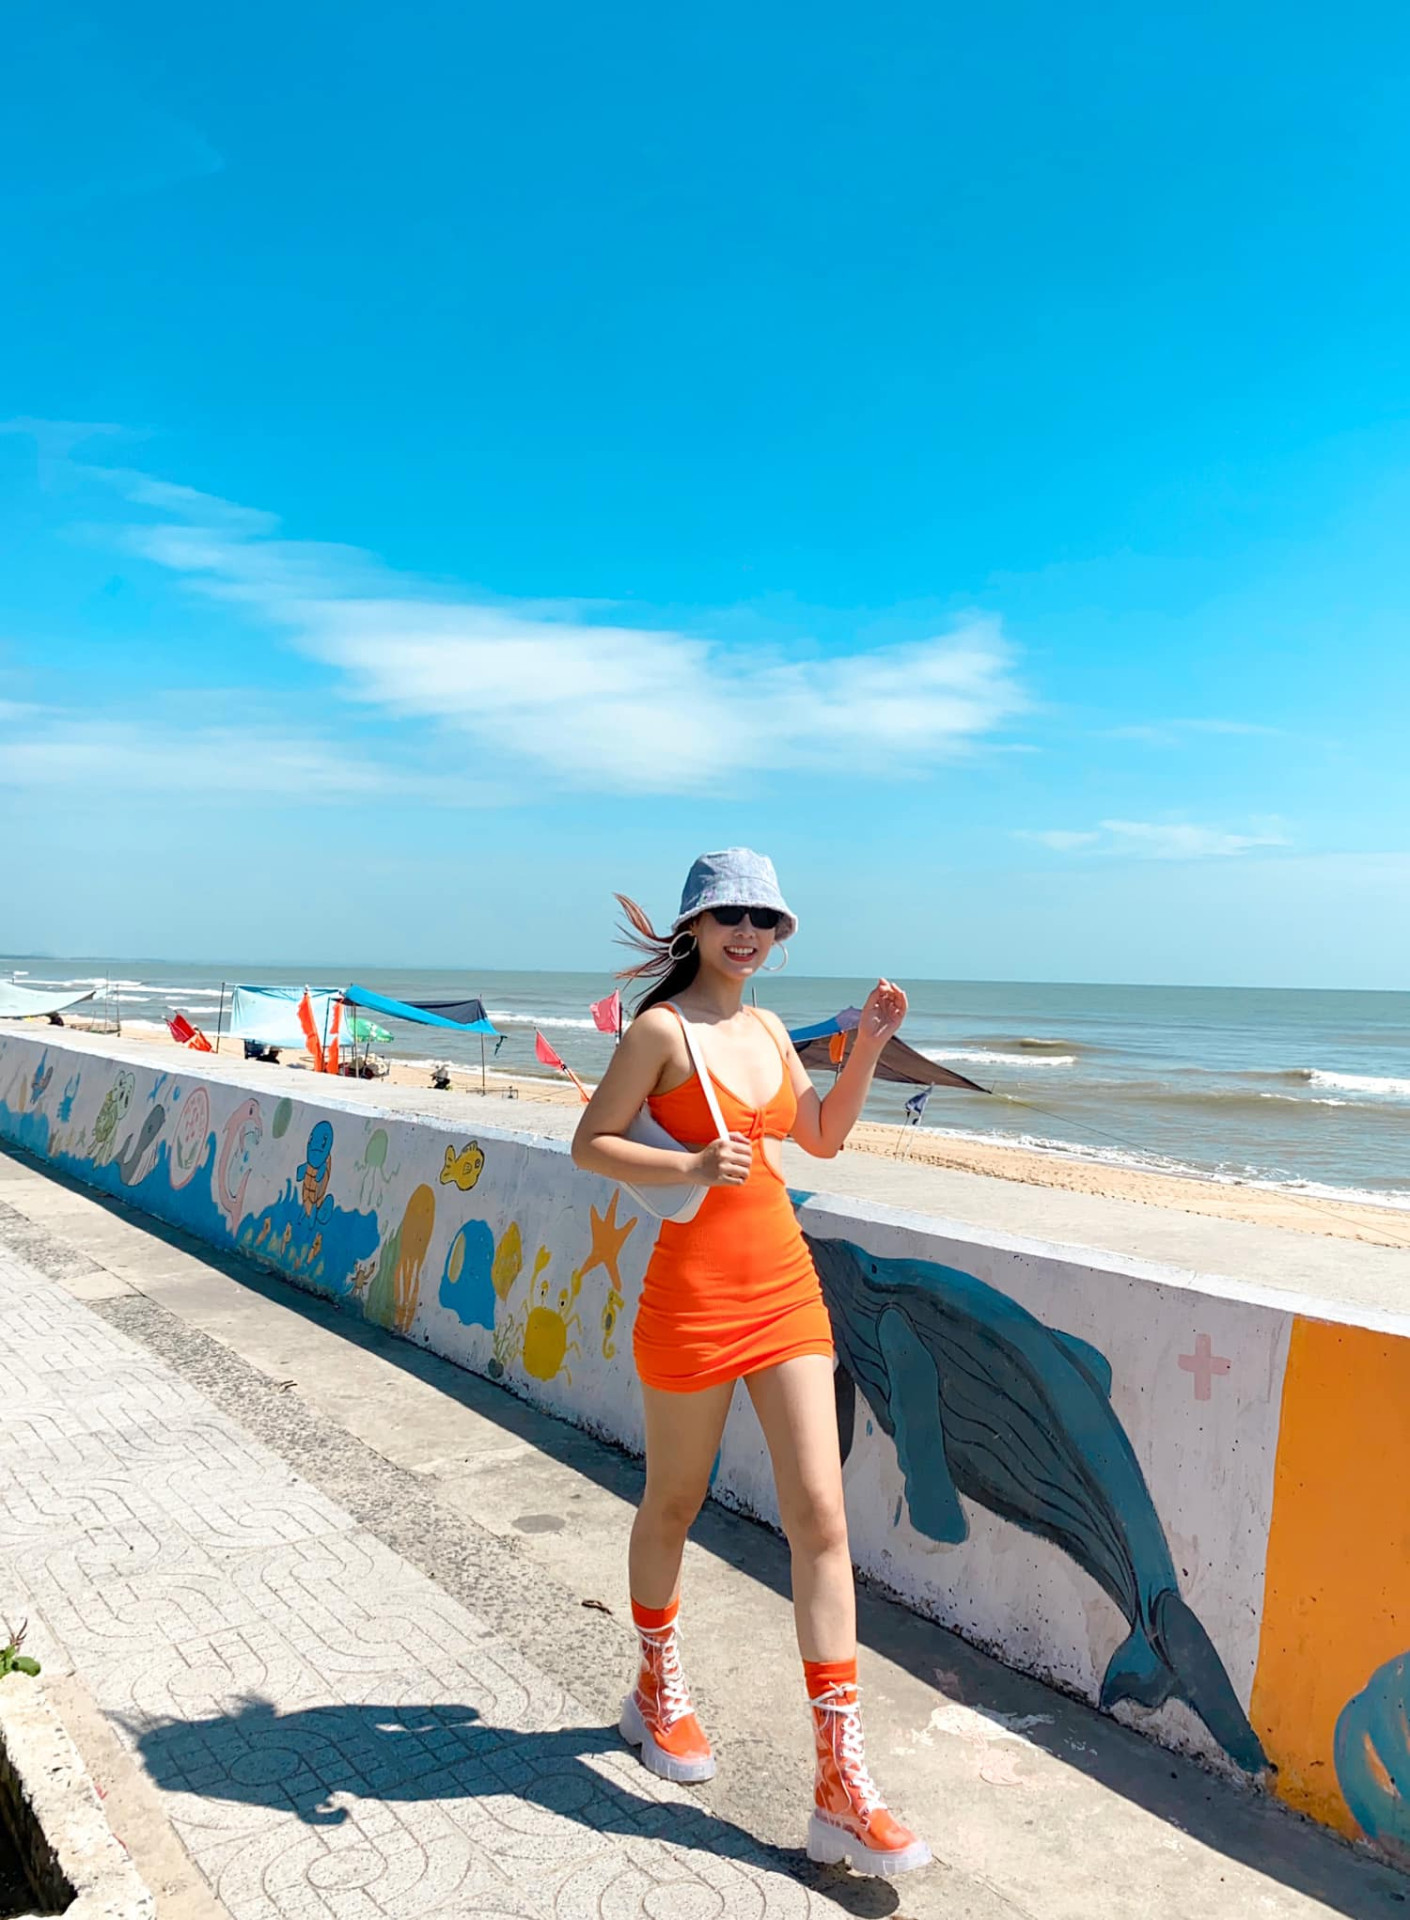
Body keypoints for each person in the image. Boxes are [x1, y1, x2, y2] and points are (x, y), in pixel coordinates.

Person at [571, 848, 930, 1879]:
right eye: (728, 916)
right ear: (692, 927)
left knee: (821, 1516)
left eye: (763, 920)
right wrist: (686, 1163)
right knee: (673, 1504)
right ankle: (655, 1689)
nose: (746, 934)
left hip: (784, 1288)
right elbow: (590, 1142)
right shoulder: (659, 1031)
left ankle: (840, 1784)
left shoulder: (772, 1029)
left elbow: (817, 1136)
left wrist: (865, 1046)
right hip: (688, 1297)